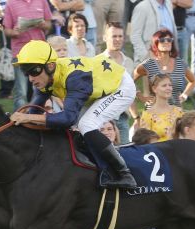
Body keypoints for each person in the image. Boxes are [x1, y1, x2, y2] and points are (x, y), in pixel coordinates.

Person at [10, 40, 137, 189]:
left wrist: (27, 117)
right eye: (27, 73)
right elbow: (34, 113)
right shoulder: (45, 79)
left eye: (34, 71)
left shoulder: (75, 77)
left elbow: (67, 119)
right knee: (79, 128)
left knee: (86, 124)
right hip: (99, 88)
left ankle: (125, 175)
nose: (31, 78)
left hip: (120, 86)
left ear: (50, 66)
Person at [2, 0, 52, 110]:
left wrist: (44, 25)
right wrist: (14, 32)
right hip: (20, 53)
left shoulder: (42, 1)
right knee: (21, 92)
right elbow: (6, 30)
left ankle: (36, 118)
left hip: (39, 53)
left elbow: (49, 24)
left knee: (40, 89)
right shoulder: (11, 3)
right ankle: (19, 123)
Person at [133, 29, 195, 109]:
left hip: (175, 112)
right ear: (156, 43)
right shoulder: (149, 64)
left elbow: (193, 81)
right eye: (162, 40)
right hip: (153, 113)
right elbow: (130, 80)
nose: (166, 42)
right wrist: (140, 96)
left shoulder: (180, 64)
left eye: (169, 40)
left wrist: (184, 95)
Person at [100, 22, 134, 146]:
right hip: (103, 119)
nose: (118, 39)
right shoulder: (97, 61)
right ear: (105, 38)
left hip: (123, 118)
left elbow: (130, 91)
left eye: (120, 36)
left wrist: (136, 117)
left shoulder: (129, 62)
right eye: (114, 36)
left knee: (124, 154)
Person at [137, 73, 183, 141]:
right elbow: (145, 142)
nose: (168, 88)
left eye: (170, 85)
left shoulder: (178, 111)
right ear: (154, 89)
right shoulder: (148, 115)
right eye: (164, 86)